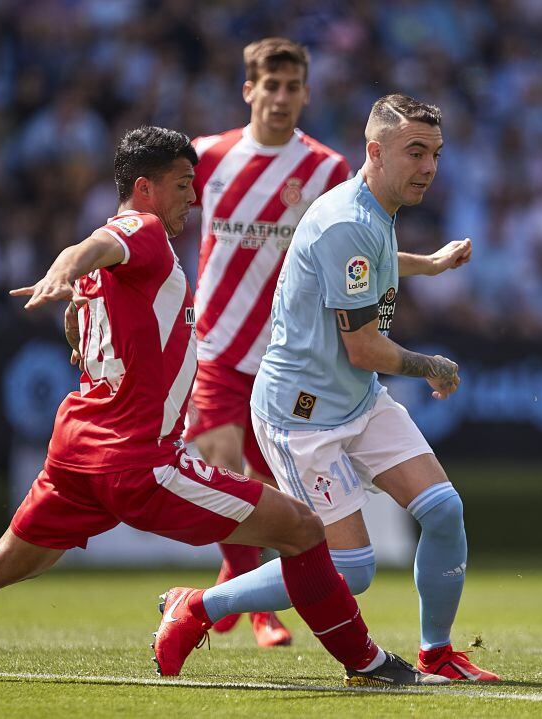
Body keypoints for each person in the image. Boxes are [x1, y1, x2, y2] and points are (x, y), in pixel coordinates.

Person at [0, 125, 447, 688]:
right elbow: (100, 244)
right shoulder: (139, 229)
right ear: (144, 187)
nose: (194, 196)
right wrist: (65, 265)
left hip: (76, 453)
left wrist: (70, 282)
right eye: (182, 184)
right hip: (139, 461)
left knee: (1, 562)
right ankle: (365, 661)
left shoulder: (117, 260)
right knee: (304, 528)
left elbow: (93, 285)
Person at [163, 94, 501, 682]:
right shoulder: (349, 219)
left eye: (436, 154)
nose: (428, 167)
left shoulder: (369, 210)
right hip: (302, 417)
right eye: (415, 152)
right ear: (375, 151)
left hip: (357, 399)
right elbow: (364, 346)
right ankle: (197, 606)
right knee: (351, 569)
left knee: (444, 511)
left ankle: (437, 653)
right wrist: (433, 368)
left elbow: (373, 261)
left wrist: (433, 263)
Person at [183, 37, 351, 648]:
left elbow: (352, 256)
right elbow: (153, 226)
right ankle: (261, 611)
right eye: (269, 86)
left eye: (292, 87)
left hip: (285, 357)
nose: (280, 98)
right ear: (249, 89)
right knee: (225, 470)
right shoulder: (207, 156)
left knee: (278, 495)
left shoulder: (329, 171)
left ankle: (233, 576)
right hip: (215, 351)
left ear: (306, 93)